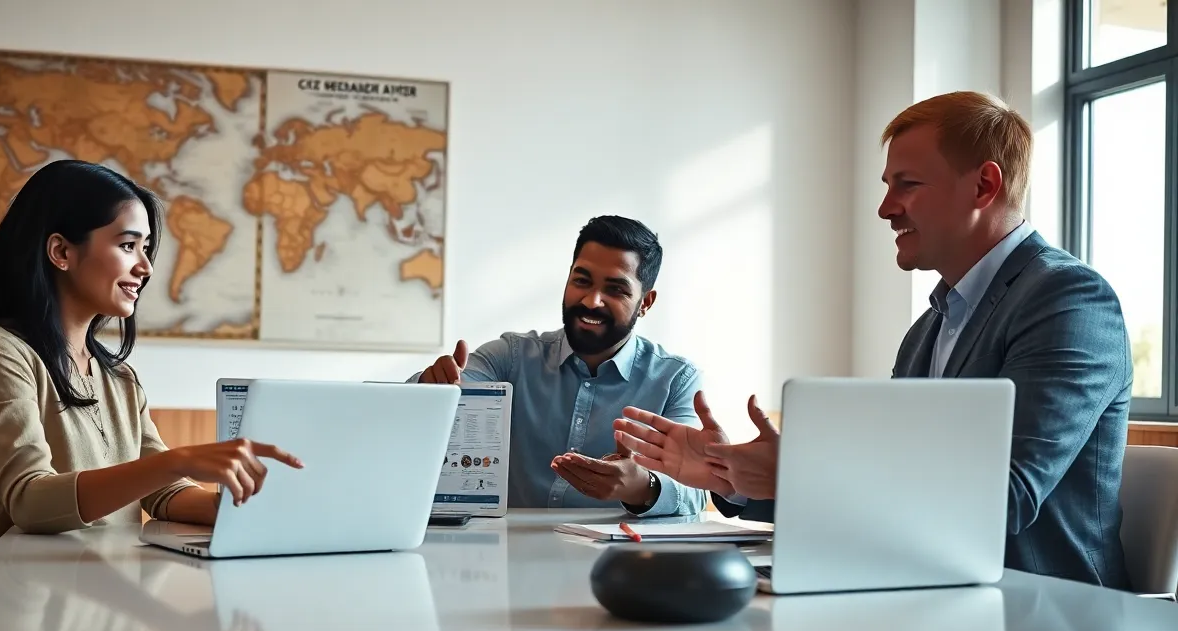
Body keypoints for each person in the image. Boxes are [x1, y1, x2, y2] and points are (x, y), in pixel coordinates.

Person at [615, 91, 1133, 589]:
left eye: (907, 184)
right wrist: (732, 475)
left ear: (983, 187)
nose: (886, 209)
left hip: (1050, 621)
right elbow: (887, 488)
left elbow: (1006, 499)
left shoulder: (1068, 300)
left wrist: (798, 475)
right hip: (931, 594)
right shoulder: (929, 328)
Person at [0, 159, 304, 596]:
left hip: (91, 609)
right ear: (61, 252)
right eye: (128, 245)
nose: (146, 268)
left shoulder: (118, 378)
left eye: (146, 248)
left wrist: (246, 509)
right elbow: (30, 501)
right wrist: (178, 459)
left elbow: (163, 493)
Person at [413, 215, 706, 516]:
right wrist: (431, 387)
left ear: (645, 302)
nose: (592, 301)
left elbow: (696, 490)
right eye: (582, 281)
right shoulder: (510, 357)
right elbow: (439, 391)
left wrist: (642, 486)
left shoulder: (676, 379)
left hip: (620, 557)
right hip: (506, 553)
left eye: (615, 289)